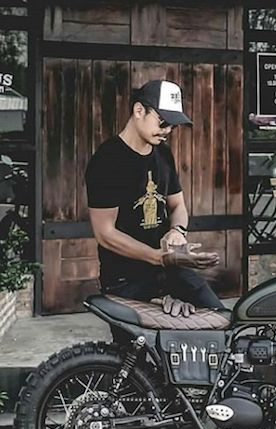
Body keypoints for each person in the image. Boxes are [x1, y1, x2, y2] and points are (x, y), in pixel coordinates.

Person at [85, 79, 223, 320]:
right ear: (139, 111)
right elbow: (105, 234)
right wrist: (159, 257)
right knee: (136, 354)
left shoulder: (163, 153)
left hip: (171, 270)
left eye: (172, 125)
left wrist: (177, 231)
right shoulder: (107, 161)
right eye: (163, 122)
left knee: (220, 321)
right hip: (126, 280)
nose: (167, 130)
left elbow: (178, 205)